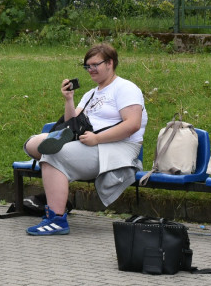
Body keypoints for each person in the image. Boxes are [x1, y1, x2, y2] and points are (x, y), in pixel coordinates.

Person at [23, 43, 147, 236]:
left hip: (117, 148)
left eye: (95, 64)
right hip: (89, 142)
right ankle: (60, 196)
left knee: (52, 155)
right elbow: (71, 122)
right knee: (33, 144)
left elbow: (132, 125)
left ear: (110, 63)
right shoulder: (91, 94)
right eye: (87, 66)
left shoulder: (125, 88)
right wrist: (69, 99)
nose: (90, 70)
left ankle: (56, 219)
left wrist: (97, 139)